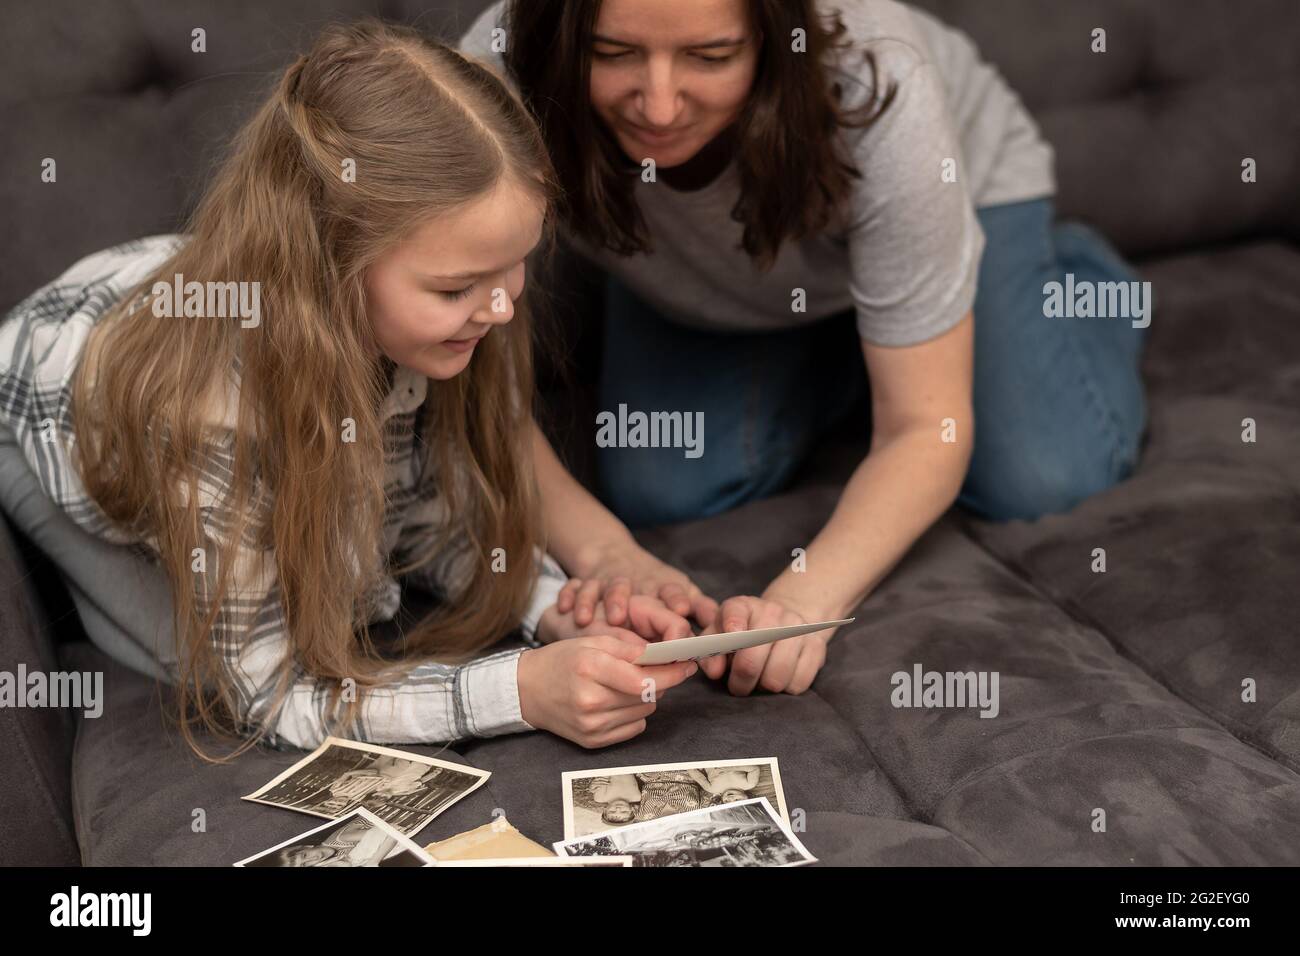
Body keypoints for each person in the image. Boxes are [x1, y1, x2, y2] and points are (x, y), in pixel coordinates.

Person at [0, 20, 700, 756]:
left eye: (513, 267)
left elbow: (423, 514)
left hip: (197, 314)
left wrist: (562, 609)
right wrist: (517, 690)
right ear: (331, 265)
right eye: (460, 286)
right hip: (34, 421)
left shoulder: (428, 322)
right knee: (199, 660)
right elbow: (271, 694)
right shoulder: (208, 414)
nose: (500, 310)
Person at [457, 0, 1149, 694]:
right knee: (663, 484)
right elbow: (481, 402)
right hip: (711, 274)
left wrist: (801, 606)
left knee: (1043, 474)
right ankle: (878, 336)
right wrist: (609, 555)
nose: (660, 108)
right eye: (611, 53)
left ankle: (1054, 282)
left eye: (710, 56)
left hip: (951, 197)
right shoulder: (494, 70)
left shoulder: (878, 75)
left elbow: (923, 428)